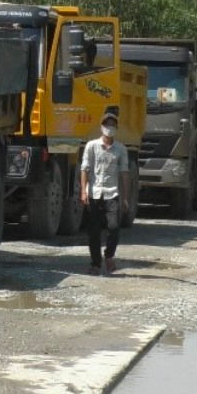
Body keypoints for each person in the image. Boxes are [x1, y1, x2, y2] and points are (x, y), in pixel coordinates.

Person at [80, 112, 130, 275]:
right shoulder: (91, 146)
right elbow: (85, 169)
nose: (110, 128)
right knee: (93, 231)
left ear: (116, 128)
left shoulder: (121, 149)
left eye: (113, 125)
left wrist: (125, 198)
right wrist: (83, 191)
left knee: (114, 227)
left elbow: (124, 173)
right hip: (94, 193)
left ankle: (109, 255)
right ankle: (95, 264)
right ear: (101, 128)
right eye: (107, 125)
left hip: (112, 193)